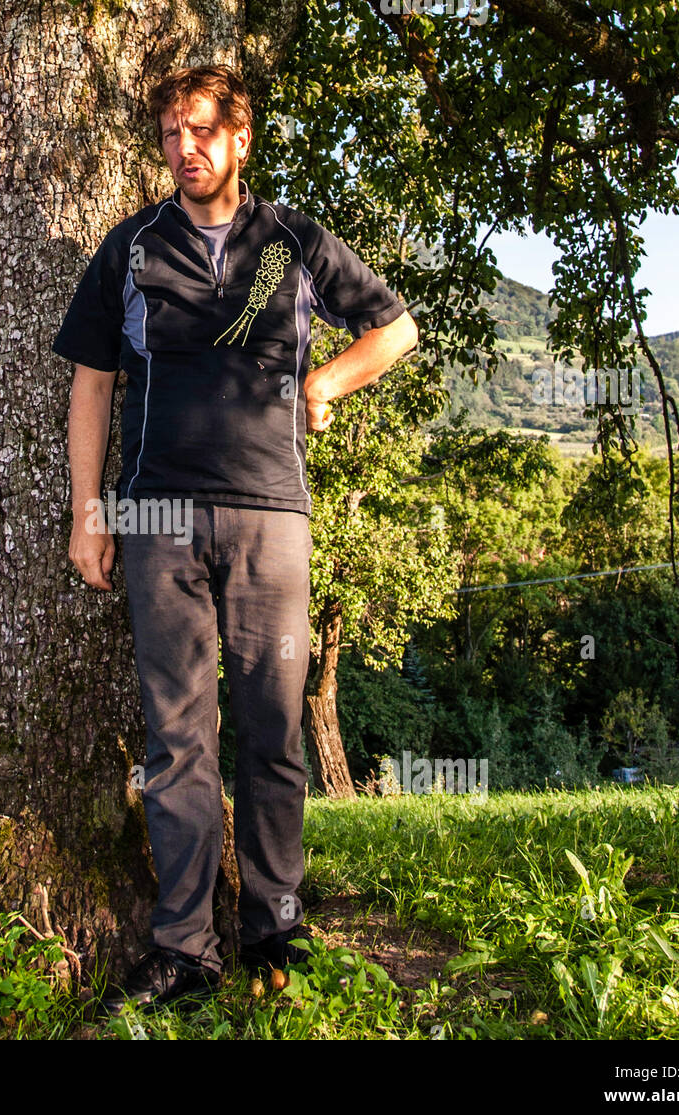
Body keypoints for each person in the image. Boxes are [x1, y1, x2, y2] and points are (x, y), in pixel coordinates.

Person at [53, 65, 418, 1014]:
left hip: (271, 514)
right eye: (172, 132)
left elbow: (396, 329)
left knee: (270, 727)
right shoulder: (129, 247)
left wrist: (324, 385)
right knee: (178, 739)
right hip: (154, 516)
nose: (187, 148)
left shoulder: (292, 239)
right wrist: (89, 512)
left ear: (241, 138)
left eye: (204, 130)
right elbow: (92, 382)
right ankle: (184, 949)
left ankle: (276, 927)